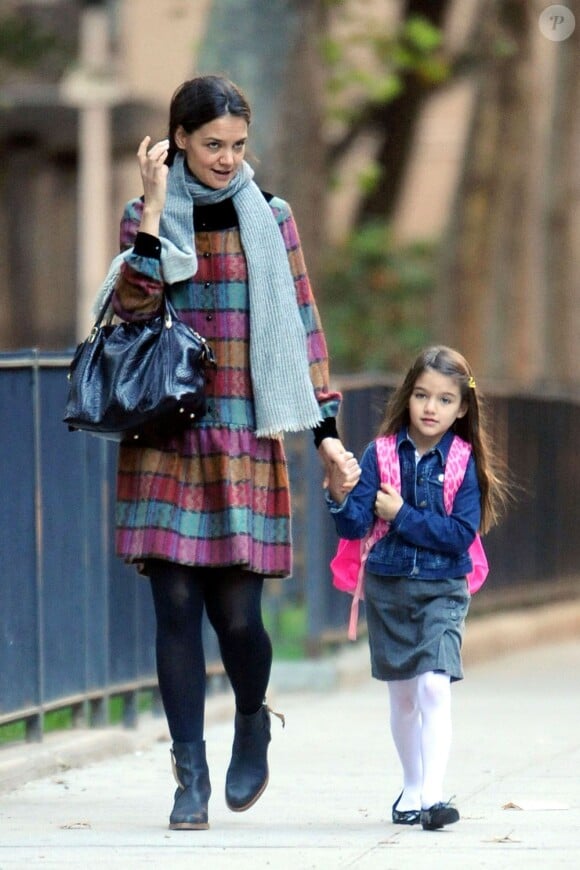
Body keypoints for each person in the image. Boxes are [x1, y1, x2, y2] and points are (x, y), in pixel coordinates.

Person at [104, 75, 357, 831]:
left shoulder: (271, 217)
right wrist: (151, 214)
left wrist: (328, 432)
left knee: (239, 618)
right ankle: (189, 773)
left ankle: (251, 713)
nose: (226, 158)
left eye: (238, 145)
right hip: (166, 434)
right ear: (178, 139)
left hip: (245, 433)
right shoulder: (143, 217)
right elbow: (133, 304)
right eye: (213, 144)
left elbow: (302, 324)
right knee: (175, 606)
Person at [326, 346, 509, 831]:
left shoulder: (463, 462)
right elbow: (353, 526)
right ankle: (411, 785)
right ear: (408, 397)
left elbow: (459, 536)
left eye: (445, 400)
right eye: (423, 395)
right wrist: (339, 492)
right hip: (388, 588)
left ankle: (433, 796)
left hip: (443, 588)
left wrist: (401, 515)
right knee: (404, 697)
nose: (432, 408)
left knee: (433, 685)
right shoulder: (380, 454)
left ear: (462, 408)